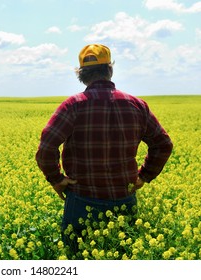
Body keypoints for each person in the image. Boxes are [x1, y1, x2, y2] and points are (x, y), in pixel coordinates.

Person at [35, 44, 173, 255]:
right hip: (123, 198)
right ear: (110, 69)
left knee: (78, 258)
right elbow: (163, 144)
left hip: (81, 197)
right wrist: (144, 176)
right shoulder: (137, 105)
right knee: (122, 261)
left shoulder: (72, 105)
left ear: (81, 74)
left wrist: (56, 179)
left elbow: (46, 148)